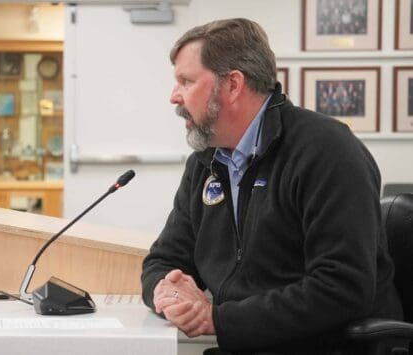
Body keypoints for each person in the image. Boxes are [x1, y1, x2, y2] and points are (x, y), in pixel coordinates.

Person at [140, 18, 403, 355]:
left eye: (186, 82)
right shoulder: (206, 163)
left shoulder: (326, 151)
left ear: (233, 85)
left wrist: (218, 319)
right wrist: (165, 290)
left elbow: (343, 287)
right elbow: (164, 258)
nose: (174, 97)